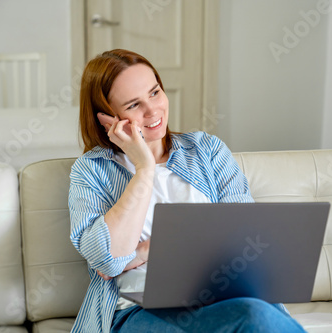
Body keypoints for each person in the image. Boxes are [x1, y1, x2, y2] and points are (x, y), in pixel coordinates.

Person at [68, 49, 306, 333]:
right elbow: (106, 259)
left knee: (255, 316)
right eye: (134, 105)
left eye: (155, 93)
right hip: (137, 313)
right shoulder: (90, 171)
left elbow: (244, 240)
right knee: (254, 319)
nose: (153, 110)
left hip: (221, 302)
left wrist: (141, 252)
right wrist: (144, 168)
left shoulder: (207, 150)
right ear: (107, 118)